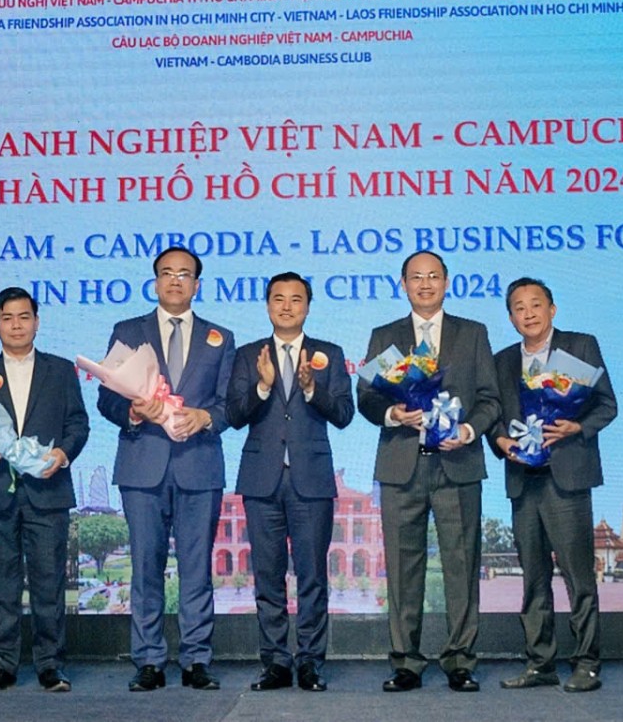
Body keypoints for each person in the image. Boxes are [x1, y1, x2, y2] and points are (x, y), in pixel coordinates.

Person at [357, 251, 501, 693]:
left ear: (446, 282)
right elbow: (366, 397)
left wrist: (471, 429)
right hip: (402, 466)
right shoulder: (386, 335)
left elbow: (490, 400)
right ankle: (406, 662)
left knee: (461, 565)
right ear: (403, 284)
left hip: (457, 464)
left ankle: (460, 661)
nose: (425, 284)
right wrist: (393, 412)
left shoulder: (472, 334)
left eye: (433, 276)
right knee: (403, 568)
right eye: (416, 277)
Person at [97, 247, 235, 691]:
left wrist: (206, 417)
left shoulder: (220, 337)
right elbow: (107, 399)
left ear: (198, 284)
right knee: (144, 565)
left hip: (199, 465)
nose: (176, 281)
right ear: (155, 282)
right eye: (167, 274)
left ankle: (196, 659)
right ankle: (150, 660)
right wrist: (134, 412)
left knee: (197, 567)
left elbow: (230, 402)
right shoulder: (129, 331)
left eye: (185, 274)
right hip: (143, 466)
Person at [226, 272, 354, 692]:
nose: (286, 306)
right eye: (278, 299)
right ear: (267, 305)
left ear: (307, 306)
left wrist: (313, 388)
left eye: (295, 299)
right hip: (261, 480)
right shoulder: (248, 356)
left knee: (313, 575)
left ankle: (312, 662)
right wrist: (263, 386)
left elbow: (344, 414)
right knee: (268, 575)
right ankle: (276, 662)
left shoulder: (328, 354)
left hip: (311, 480)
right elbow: (234, 414)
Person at [490, 277, 617, 693]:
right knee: (533, 578)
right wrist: (500, 439)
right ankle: (540, 663)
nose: (528, 313)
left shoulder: (579, 347)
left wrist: (576, 426)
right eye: (519, 308)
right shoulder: (502, 360)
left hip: (567, 478)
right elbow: (493, 416)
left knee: (578, 577)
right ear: (511, 317)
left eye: (536, 305)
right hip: (524, 480)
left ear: (552, 309)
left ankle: (587, 663)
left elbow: (607, 405)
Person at [0, 287, 90, 693]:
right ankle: (2, 664)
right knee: (0, 582)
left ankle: (51, 664)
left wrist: (64, 453)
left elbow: (78, 425)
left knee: (49, 581)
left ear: (37, 321)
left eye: (24, 317)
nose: (16, 325)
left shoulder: (60, 370)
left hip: (47, 490)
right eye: (7, 318)